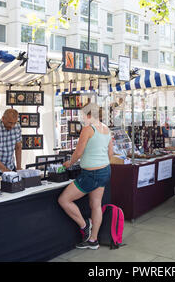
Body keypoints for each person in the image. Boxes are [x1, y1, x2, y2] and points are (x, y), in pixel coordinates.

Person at [58, 103, 114, 250]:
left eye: (83, 115)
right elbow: (110, 154)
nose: (82, 118)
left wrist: (69, 163)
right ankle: (93, 240)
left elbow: (78, 152)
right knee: (96, 204)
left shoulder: (88, 129)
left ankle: (85, 225)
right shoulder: (106, 129)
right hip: (105, 170)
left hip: (91, 173)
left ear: (89, 115)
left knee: (64, 200)